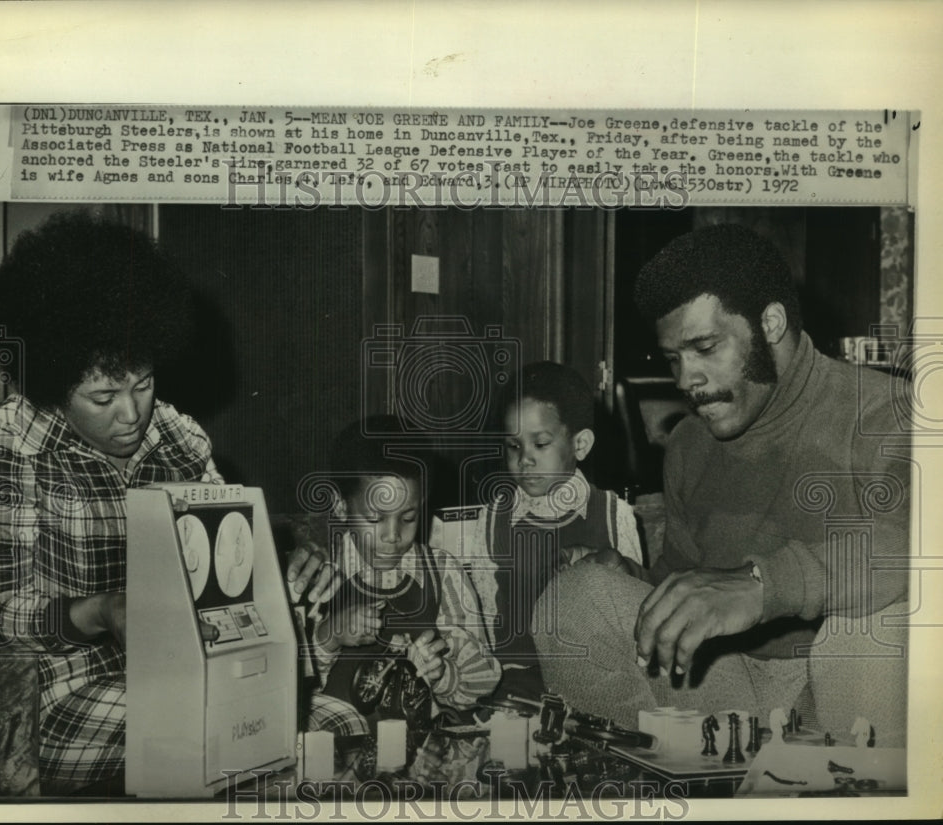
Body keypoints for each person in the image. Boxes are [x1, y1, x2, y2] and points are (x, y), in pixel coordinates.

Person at [0, 211, 342, 795]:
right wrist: (97, 612)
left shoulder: (179, 437)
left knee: (337, 728)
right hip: (66, 694)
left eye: (142, 383)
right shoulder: (11, 445)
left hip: (189, 677)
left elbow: (229, 575)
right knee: (254, 756)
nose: (132, 414)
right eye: (102, 395)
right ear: (49, 379)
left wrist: (285, 567)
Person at [532, 224, 910, 746]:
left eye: (705, 347)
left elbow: (920, 545)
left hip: (837, 696)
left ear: (771, 323)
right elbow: (689, 579)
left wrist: (761, 585)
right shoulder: (690, 444)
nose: (686, 380)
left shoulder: (887, 413)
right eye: (673, 358)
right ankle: (649, 784)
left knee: (866, 634)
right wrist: (641, 579)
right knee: (574, 598)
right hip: (725, 688)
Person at [431, 361, 643, 704]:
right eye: (514, 446)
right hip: (517, 690)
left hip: (600, 687)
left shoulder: (614, 515)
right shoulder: (491, 520)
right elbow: (479, 629)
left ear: (581, 445)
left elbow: (637, 619)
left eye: (540, 444)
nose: (524, 459)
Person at [310, 417, 501, 728]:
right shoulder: (319, 576)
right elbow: (283, 686)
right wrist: (329, 636)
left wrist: (443, 675)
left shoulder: (443, 574)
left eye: (408, 517)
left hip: (420, 752)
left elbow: (484, 682)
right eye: (375, 518)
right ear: (341, 506)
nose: (393, 535)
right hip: (333, 750)